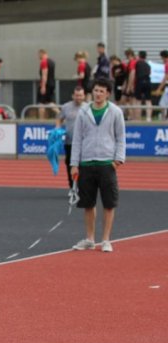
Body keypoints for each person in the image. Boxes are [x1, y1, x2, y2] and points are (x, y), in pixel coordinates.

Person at [70, 77, 125, 253]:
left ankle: (106, 240)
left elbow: (121, 137)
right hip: (86, 162)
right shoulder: (84, 111)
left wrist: (118, 160)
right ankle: (90, 239)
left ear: (108, 93)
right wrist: (74, 164)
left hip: (107, 163)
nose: (98, 94)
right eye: (96, 90)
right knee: (88, 204)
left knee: (108, 203)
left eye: (102, 91)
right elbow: (77, 139)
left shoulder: (115, 112)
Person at [55, 86, 87, 191]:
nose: (78, 98)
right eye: (77, 95)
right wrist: (57, 129)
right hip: (69, 142)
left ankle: (83, 187)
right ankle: (72, 187)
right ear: (73, 96)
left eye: (80, 95)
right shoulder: (66, 107)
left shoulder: (88, 107)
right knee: (70, 165)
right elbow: (59, 119)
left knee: (84, 166)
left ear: (84, 96)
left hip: (84, 143)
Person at [37, 49, 58, 119]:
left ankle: (41, 121)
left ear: (42, 54)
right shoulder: (52, 62)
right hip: (51, 84)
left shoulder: (44, 62)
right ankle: (62, 115)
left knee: (41, 104)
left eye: (39, 55)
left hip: (46, 84)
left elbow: (44, 75)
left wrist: (43, 86)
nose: (38, 57)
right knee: (51, 103)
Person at [132, 50, 152, 122]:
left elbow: (133, 73)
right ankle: (148, 118)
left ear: (139, 56)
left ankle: (138, 118)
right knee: (148, 100)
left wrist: (132, 84)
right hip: (148, 82)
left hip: (140, 82)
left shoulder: (137, 64)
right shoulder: (148, 65)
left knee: (138, 101)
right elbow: (149, 73)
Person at [153, 50, 168, 120]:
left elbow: (166, 77)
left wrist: (159, 89)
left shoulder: (167, 64)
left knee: (162, 104)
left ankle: (164, 120)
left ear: (163, 57)